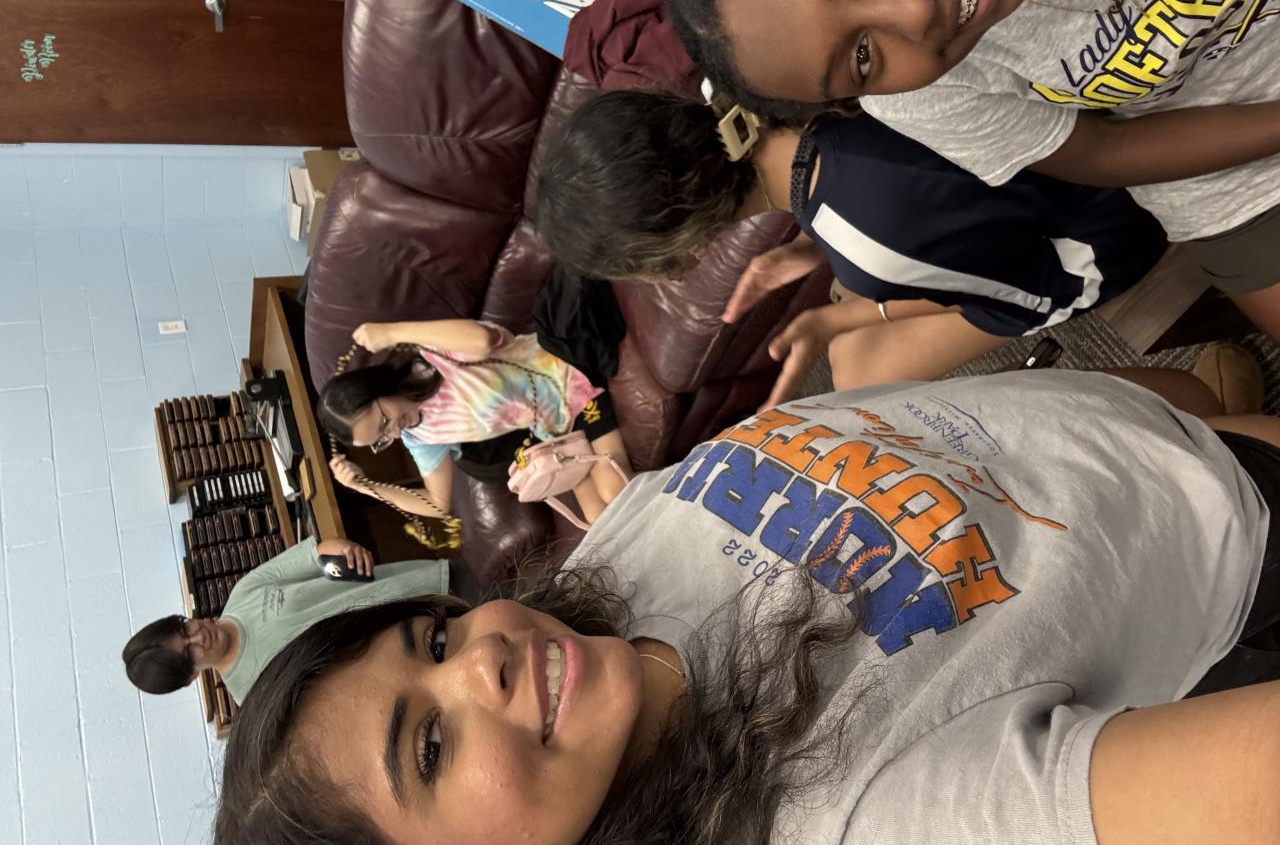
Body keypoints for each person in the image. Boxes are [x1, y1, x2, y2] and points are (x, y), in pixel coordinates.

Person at [214, 367, 1280, 845]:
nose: (478, 657)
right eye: (431, 748)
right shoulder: (849, 816)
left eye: (434, 638)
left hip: (1136, 418)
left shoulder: (598, 606)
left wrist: (1146, 400)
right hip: (1240, 532)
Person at [658, 0, 1280, 341]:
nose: (911, 13)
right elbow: (1104, 152)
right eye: (863, 56)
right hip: (1224, 178)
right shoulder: (913, 96)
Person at [537, 88, 1166, 406]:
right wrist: (821, 254)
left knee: (860, 381)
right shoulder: (764, 81)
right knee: (848, 342)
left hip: (1100, 231)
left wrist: (858, 308)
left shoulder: (868, 248)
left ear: (678, 253)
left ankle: (1096, 409)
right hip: (1066, 132)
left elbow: (1021, 298)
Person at [318, 318, 632, 527]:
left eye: (384, 421)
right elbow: (439, 505)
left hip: (572, 382)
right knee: (598, 520)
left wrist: (392, 333)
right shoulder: (420, 435)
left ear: (377, 388)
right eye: (382, 439)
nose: (395, 431)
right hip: (559, 433)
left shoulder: (431, 360)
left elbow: (484, 339)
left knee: (617, 495)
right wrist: (366, 487)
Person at [121, 536, 448, 704]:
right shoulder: (253, 694)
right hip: (430, 650)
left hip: (426, 584)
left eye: (185, 629)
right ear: (191, 677)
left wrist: (343, 551)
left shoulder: (243, 592)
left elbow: (314, 556)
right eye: (189, 650)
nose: (199, 637)